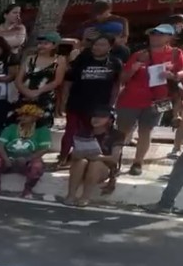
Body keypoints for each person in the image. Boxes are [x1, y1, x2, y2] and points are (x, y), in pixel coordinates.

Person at [115, 24, 182, 179]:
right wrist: (133, 69)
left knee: (146, 131)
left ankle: (137, 163)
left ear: (169, 37)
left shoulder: (175, 54)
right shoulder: (139, 54)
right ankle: (114, 161)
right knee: (122, 131)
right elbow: (123, 78)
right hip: (130, 100)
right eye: (153, 33)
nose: (155, 37)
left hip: (157, 101)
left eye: (160, 34)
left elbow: (181, 71)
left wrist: (174, 76)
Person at [59, 35, 122, 166]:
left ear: (110, 47)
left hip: (99, 107)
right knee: (70, 132)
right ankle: (63, 158)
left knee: (93, 133)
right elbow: (68, 81)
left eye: (102, 45)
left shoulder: (115, 63)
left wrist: (112, 102)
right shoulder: (82, 59)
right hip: (76, 102)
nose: (97, 47)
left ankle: (90, 159)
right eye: (95, 44)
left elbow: (117, 84)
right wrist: (64, 100)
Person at [0, 103, 51, 197]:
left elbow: (44, 149)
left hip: (28, 161)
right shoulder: (11, 127)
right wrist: (6, 159)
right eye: (21, 115)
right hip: (9, 159)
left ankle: (28, 189)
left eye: (27, 115)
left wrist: (28, 159)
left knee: (37, 167)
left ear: (35, 118)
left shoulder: (42, 130)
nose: (22, 117)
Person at [65, 108, 124, 207]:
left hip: (103, 168)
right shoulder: (84, 132)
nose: (96, 119)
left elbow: (114, 158)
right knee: (81, 161)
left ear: (110, 120)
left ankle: (85, 196)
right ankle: (71, 195)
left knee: (95, 163)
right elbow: (73, 155)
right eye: (94, 116)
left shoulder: (117, 135)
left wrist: (98, 157)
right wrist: (79, 154)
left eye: (101, 117)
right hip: (83, 166)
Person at [15, 33, 66, 126]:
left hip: (45, 98)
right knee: (22, 126)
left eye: (45, 43)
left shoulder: (59, 60)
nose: (41, 46)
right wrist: (26, 91)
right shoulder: (30, 59)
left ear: (54, 45)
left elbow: (57, 81)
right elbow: (18, 80)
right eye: (40, 43)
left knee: (42, 126)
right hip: (25, 97)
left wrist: (38, 92)